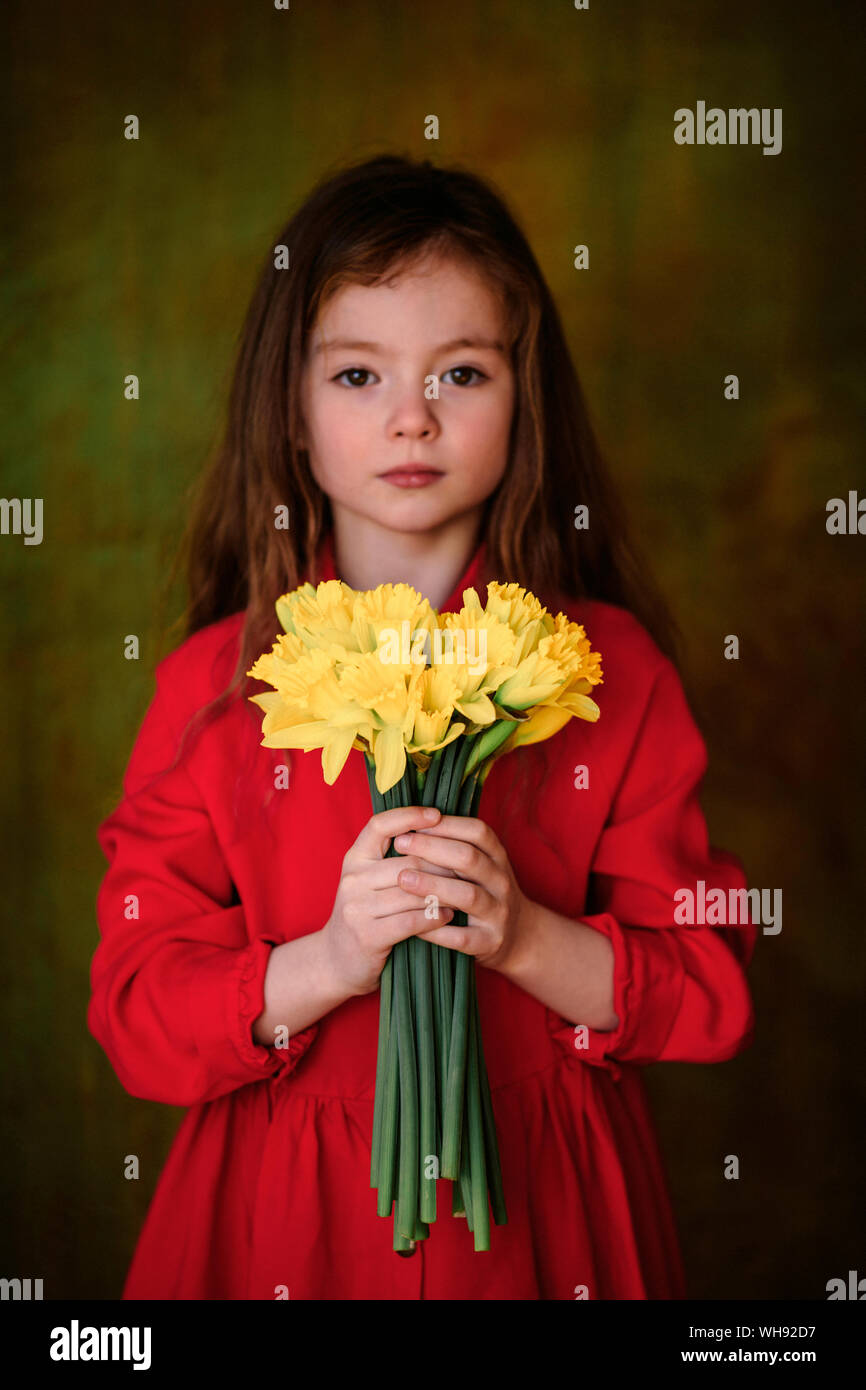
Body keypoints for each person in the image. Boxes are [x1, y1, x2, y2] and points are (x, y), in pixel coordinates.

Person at [88, 154, 757, 1300]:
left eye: (460, 372)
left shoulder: (610, 673)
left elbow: (709, 987)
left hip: (540, 1223)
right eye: (356, 374)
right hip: (279, 1219)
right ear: (290, 414)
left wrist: (524, 939)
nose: (411, 417)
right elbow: (136, 1011)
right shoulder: (213, 692)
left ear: (522, 398)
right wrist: (331, 960)